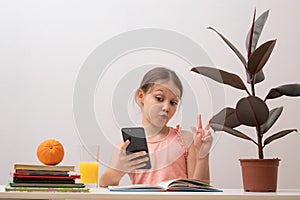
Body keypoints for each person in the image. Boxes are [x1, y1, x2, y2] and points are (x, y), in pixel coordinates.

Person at [100, 67, 213, 187]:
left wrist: (203, 156)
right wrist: (117, 171)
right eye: (159, 99)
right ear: (141, 96)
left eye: (173, 102)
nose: (166, 107)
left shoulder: (185, 140)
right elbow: (104, 185)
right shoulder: (125, 146)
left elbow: (200, 191)